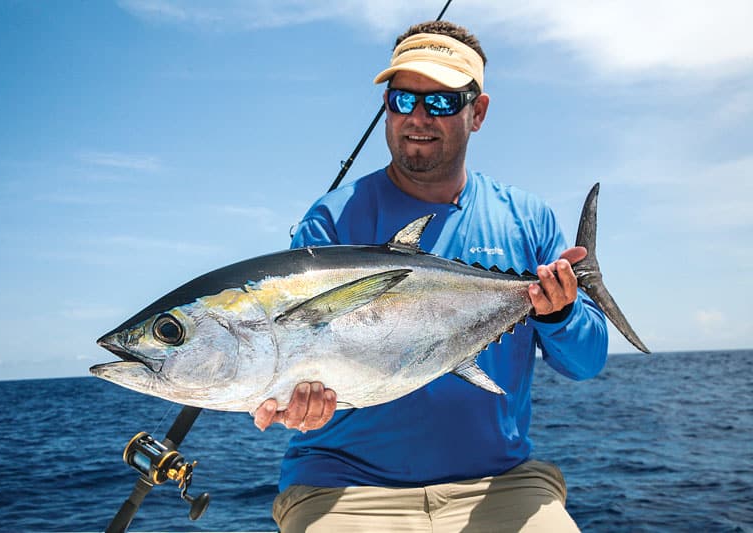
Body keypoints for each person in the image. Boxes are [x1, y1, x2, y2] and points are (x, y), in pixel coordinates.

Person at [254, 20, 608, 532]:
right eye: (401, 100)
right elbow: (292, 355)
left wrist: (563, 311)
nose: (417, 117)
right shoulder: (332, 220)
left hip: (500, 483)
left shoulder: (527, 219)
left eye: (441, 102)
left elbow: (587, 362)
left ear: (478, 112)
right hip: (344, 489)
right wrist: (298, 403)